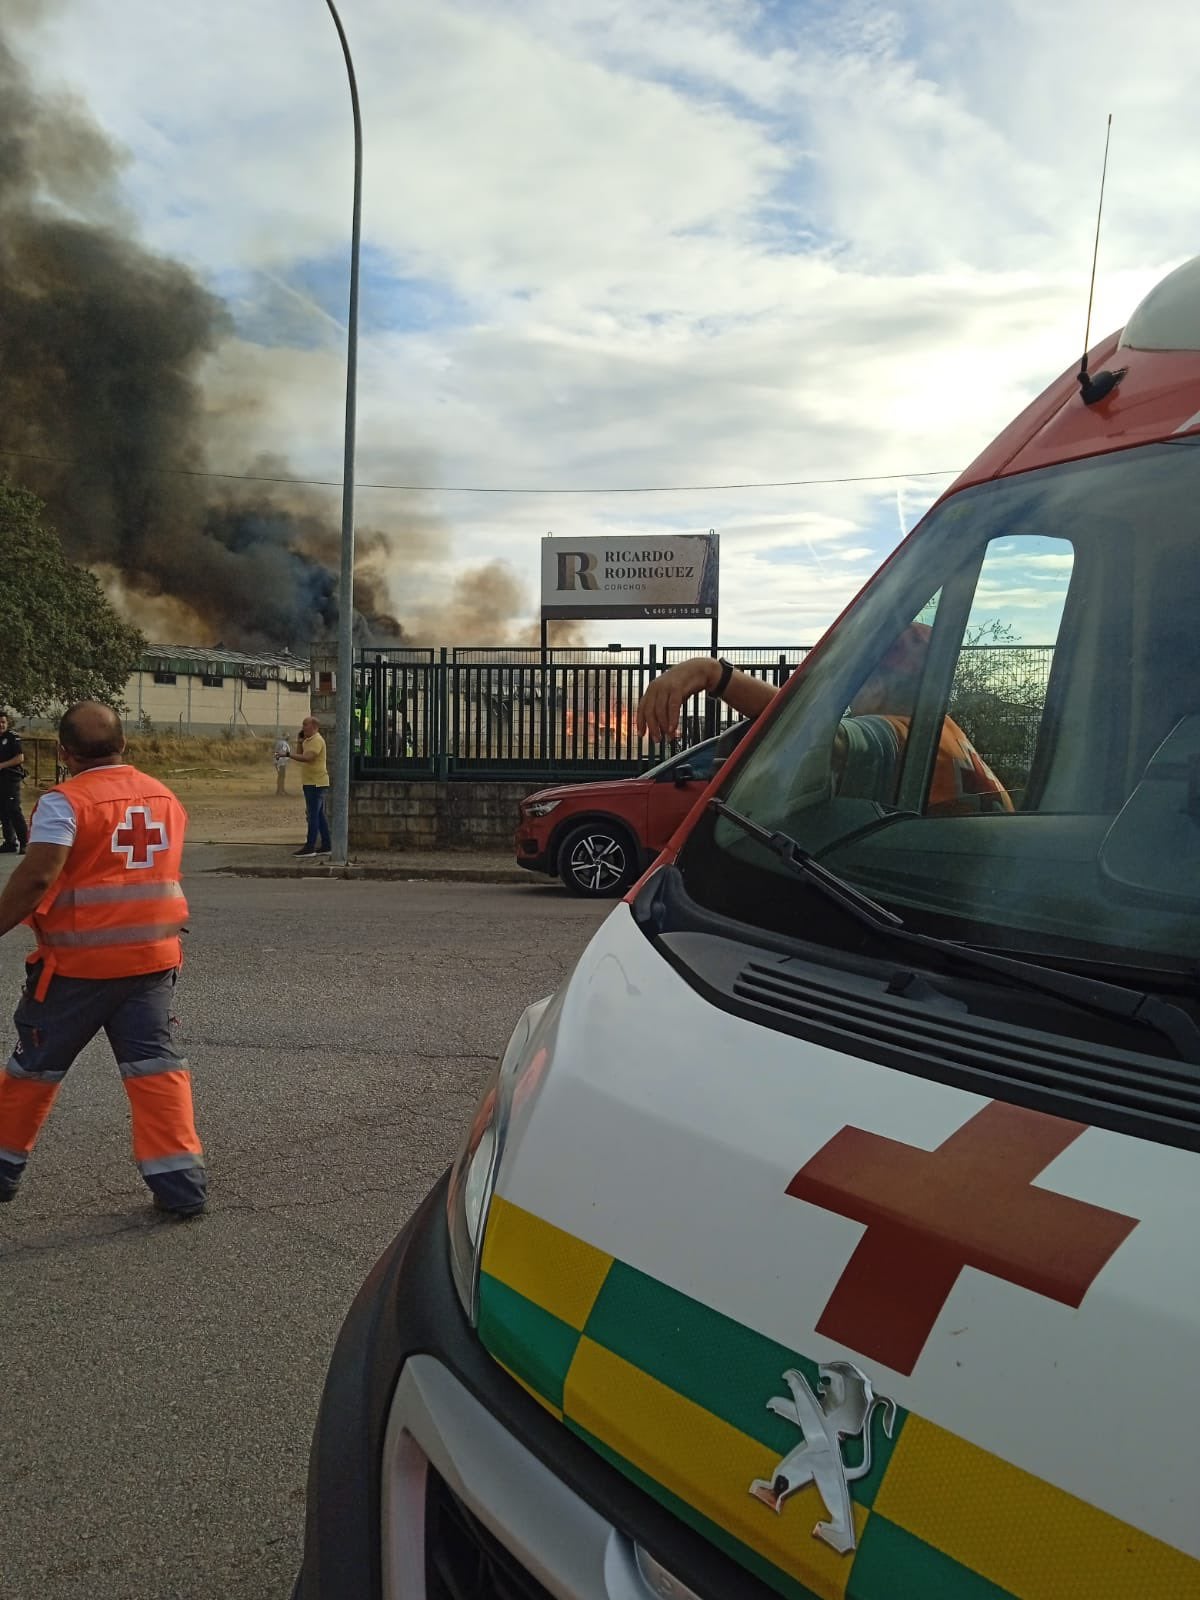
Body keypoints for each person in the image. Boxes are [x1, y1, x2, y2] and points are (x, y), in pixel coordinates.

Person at [0, 702, 207, 1217]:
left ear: (66, 754)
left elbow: (37, 878)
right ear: (125, 746)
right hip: (153, 961)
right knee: (156, 1069)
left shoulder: (64, 803)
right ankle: (181, 1187)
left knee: (33, 1070)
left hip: (78, 967)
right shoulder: (164, 795)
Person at [637, 624, 1011, 816]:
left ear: (880, 683)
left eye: (857, 682)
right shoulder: (945, 733)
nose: (850, 699)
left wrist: (713, 674)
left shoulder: (898, 735)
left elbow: (814, 730)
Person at [288, 715, 332, 857]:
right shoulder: (308, 740)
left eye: (305, 725)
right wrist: (300, 741)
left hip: (316, 783)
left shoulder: (317, 741)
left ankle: (310, 846)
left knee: (313, 815)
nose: (303, 728)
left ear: (314, 727)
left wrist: (288, 755)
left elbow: (307, 758)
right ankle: (326, 845)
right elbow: (301, 754)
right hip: (310, 782)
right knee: (319, 815)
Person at [0, 711, 28, 855]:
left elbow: (20, 758)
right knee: (3, 811)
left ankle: (25, 842)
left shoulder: (12, 737)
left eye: (3, 722)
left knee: (14, 810)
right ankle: (9, 842)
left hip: (11, 778)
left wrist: (2, 765)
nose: (1, 725)